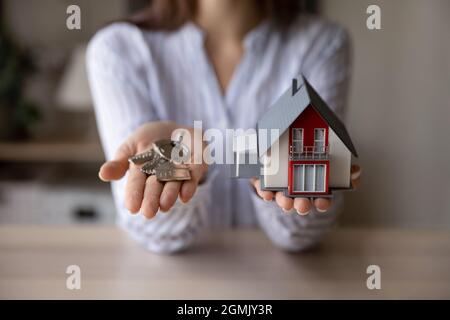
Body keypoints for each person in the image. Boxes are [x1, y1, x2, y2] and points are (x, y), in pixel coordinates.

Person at [87, 0, 361, 254]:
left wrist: (280, 185)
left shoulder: (323, 44)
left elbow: (306, 232)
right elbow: (151, 228)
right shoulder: (118, 49)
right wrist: (184, 172)